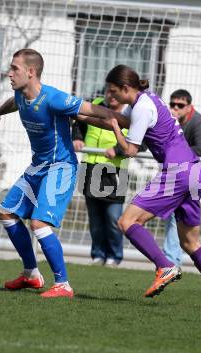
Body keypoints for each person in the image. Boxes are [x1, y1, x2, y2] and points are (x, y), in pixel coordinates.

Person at [0, 49, 123, 298]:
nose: (9, 73)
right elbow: (13, 103)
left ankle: (63, 284)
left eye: (14, 68)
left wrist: (124, 122)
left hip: (61, 168)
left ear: (31, 72)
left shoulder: (54, 98)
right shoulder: (20, 95)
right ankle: (31, 275)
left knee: (39, 223)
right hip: (38, 166)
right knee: (6, 213)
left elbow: (92, 110)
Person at [103, 64, 201, 310]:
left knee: (127, 222)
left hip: (177, 172)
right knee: (190, 243)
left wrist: (114, 127)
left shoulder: (141, 107)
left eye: (113, 92)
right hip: (194, 172)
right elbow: (130, 123)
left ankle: (164, 266)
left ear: (125, 88)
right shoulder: (149, 99)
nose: (110, 97)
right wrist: (97, 117)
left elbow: (131, 150)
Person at [72, 90, 129, 267]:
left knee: (113, 218)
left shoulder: (131, 113)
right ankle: (98, 255)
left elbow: (140, 142)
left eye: (115, 92)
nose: (111, 95)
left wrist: (118, 149)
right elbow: (78, 125)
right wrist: (77, 138)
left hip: (115, 170)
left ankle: (114, 257)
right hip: (89, 166)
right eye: (108, 91)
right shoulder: (93, 104)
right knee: (95, 218)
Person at [163, 89, 201, 266]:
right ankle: (171, 261)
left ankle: (172, 262)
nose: (175, 108)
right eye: (172, 104)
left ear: (189, 107)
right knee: (171, 218)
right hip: (171, 173)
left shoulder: (198, 122)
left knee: (182, 223)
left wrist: (175, 152)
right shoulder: (169, 121)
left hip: (191, 176)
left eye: (180, 105)